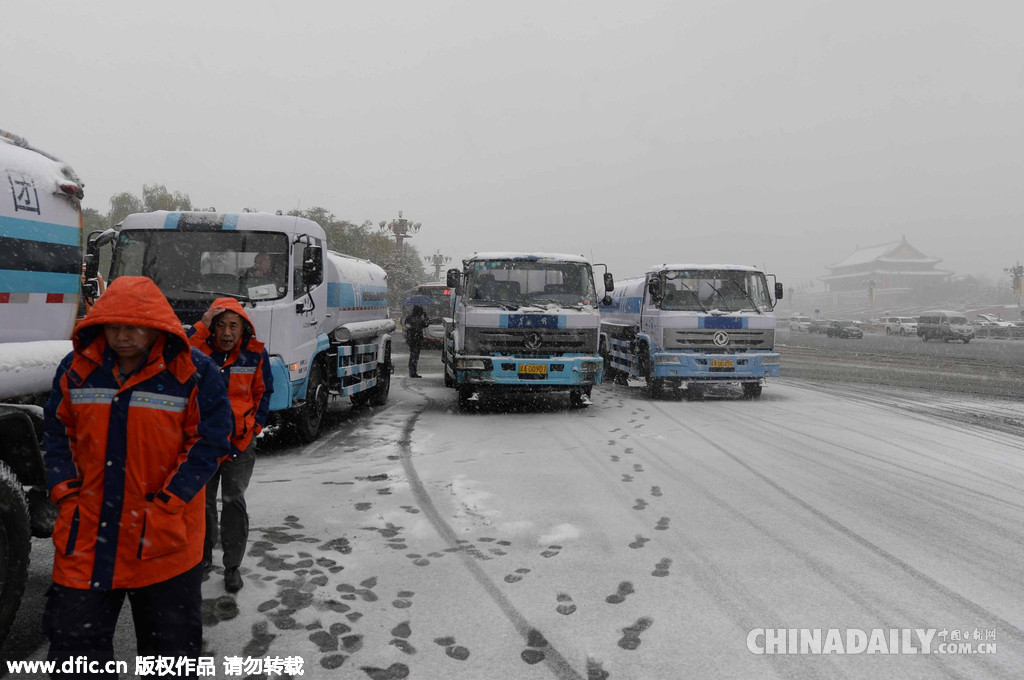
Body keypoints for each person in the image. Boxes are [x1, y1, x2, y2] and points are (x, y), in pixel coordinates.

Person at [42, 276, 233, 677]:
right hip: (88, 537)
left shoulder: (194, 372)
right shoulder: (77, 369)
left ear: (157, 326)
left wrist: (168, 501)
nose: (122, 336)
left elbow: (210, 442)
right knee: (74, 655)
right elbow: (59, 435)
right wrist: (67, 493)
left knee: (170, 659)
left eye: (133, 326)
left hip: (163, 538)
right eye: (113, 326)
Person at [188, 297, 273, 593]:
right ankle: (202, 559)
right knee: (202, 504)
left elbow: (264, 393)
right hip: (204, 443)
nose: (226, 332)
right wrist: (201, 325)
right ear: (212, 328)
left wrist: (254, 428)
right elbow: (175, 354)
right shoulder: (199, 352)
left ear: (243, 329)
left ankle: (232, 566)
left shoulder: (254, 355)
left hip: (240, 443)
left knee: (234, 501)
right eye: (220, 325)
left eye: (233, 326)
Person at [403, 304, 429, 378]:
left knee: (412, 355)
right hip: (417, 339)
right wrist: (426, 317)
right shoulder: (419, 319)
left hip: (411, 339)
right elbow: (426, 324)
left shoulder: (409, 318)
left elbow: (406, 325)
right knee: (415, 356)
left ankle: (412, 370)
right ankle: (413, 371)